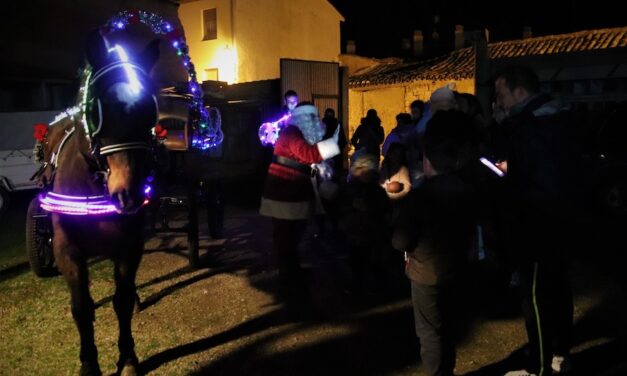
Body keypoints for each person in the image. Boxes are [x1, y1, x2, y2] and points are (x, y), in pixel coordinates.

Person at [494, 65, 579, 376]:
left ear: (520, 91)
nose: (499, 102)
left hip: (536, 221)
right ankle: (559, 353)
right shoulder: (560, 117)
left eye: (501, 95)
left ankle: (539, 367)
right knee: (559, 288)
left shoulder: (527, 126)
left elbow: (528, 178)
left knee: (535, 295)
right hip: (562, 217)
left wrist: (507, 171)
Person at [392, 110, 477, 376]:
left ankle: (438, 373)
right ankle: (447, 370)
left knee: (429, 330)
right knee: (449, 323)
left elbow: (401, 240)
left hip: (426, 273)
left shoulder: (420, 198)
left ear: (428, 162)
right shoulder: (468, 190)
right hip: (458, 266)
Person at [259, 102, 340, 308]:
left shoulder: (298, 134)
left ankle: (291, 272)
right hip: (284, 192)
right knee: (286, 237)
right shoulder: (291, 133)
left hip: (293, 192)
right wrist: (333, 143)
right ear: (303, 119)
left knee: (292, 235)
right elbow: (308, 154)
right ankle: (288, 279)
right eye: (313, 118)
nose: (317, 121)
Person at [338, 153, 390, 295]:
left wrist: (370, 208)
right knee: (357, 260)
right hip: (355, 231)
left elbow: (384, 209)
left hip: (372, 232)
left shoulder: (377, 190)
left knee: (372, 260)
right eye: (361, 168)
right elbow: (342, 205)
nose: (364, 172)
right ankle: (358, 285)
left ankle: (374, 287)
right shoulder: (351, 188)